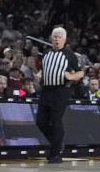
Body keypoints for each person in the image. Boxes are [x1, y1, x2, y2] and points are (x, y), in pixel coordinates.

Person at [35, 26, 84, 163]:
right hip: (46, 90)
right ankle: (57, 144)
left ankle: (55, 153)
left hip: (61, 91)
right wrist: (39, 75)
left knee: (56, 121)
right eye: (54, 36)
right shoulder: (45, 53)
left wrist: (71, 76)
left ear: (64, 39)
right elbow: (44, 70)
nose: (56, 39)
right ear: (51, 38)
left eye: (59, 37)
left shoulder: (69, 55)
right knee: (41, 121)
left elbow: (80, 72)